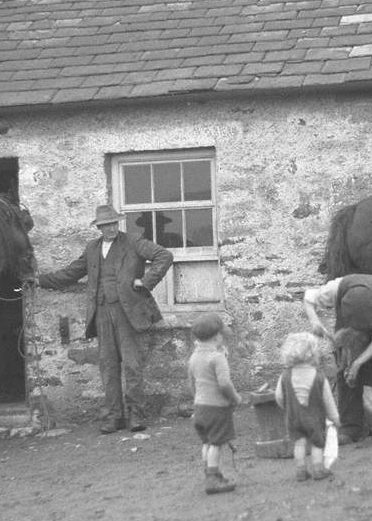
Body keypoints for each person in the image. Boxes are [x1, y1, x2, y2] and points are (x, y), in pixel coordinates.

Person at [35, 203, 173, 432]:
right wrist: (40, 280)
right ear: (99, 227)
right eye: (105, 225)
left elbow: (164, 255)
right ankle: (113, 416)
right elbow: (71, 273)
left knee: (132, 365)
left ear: (117, 223)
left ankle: (136, 415)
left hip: (127, 312)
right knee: (108, 367)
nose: (110, 228)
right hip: (101, 312)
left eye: (113, 223)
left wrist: (146, 281)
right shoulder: (92, 248)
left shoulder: (133, 242)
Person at [303, 274, 372, 446]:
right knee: (345, 367)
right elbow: (308, 298)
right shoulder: (334, 290)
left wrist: (359, 363)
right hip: (355, 322)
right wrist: (315, 322)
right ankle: (351, 428)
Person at [186, 313, 243, 494]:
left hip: (200, 406)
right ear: (217, 336)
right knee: (217, 443)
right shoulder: (217, 357)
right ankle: (213, 478)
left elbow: (191, 383)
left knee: (207, 442)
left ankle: (210, 473)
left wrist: (197, 400)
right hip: (216, 408)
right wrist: (235, 398)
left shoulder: (194, 357)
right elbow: (224, 383)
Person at [274, 332, 340, 481]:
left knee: (299, 443)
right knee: (317, 442)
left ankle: (301, 470)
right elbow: (328, 400)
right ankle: (318, 469)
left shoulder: (284, 375)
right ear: (313, 353)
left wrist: (286, 407)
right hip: (314, 417)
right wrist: (335, 418)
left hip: (293, 417)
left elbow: (278, 396)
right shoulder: (319, 376)